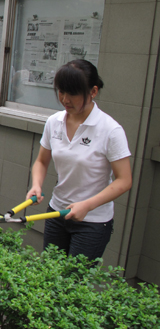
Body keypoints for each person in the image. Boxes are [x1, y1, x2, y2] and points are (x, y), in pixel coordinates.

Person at [26, 59, 132, 262]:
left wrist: (87, 205)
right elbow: (41, 161)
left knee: (74, 279)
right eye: (61, 91)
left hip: (92, 222)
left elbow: (124, 180)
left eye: (73, 93)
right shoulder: (54, 122)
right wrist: (36, 185)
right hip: (56, 213)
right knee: (49, 274)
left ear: (93, 91)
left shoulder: (110, 130)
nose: (65, 99)